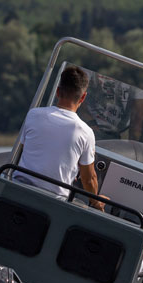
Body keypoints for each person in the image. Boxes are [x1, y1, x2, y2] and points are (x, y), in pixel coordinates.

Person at [16, 65, 104, 210]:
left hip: (19, 192)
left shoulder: (33, 115)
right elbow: (89, 179)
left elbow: (27, 151)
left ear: (57, 91)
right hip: (53, 205)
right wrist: (96, 202)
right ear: (83, 97)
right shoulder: (85, 132)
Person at [80, 73, 143, 141]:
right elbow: (77, 91)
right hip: (84, 123)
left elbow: (137, 117)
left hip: (117, 132)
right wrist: (90, 123)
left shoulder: (140, 75)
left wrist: (132, 146)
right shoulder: (94, 63)